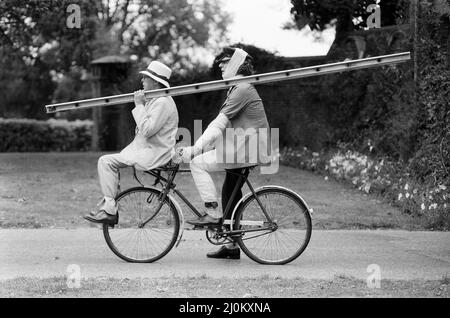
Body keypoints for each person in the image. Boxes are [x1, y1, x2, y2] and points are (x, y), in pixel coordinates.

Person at [177, 47, 271, 259]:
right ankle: (231, 247)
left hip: (245, 150)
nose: (220, 65)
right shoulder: (238, 88)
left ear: (237, 64)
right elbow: (223, 129)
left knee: (197, 163)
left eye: (225, 61)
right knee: (230, 195)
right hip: (242, 148)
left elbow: (217, 125)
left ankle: (212, 214)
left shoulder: (242, 88)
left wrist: (195, 150)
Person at [84, 61, 179, 225]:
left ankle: (109, 209)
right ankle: (109, 206)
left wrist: (138, 104)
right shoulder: (156, 100)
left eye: (145, 78)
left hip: (154, 153)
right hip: (147, 150)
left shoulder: (163, 101)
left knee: (105, 161)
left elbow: (148, 130)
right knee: (107, 162)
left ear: (155, 82)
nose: (142, 81)